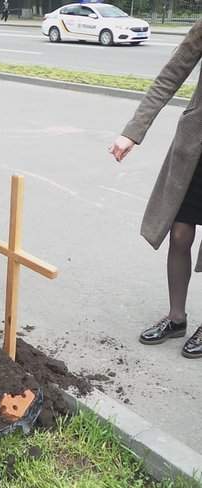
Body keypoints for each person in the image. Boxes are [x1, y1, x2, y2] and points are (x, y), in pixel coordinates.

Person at [109, 19, 202, 360]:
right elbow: (169, 76)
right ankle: (176, 318)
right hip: (196, 148)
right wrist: (133, 131)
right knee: (179, 233)